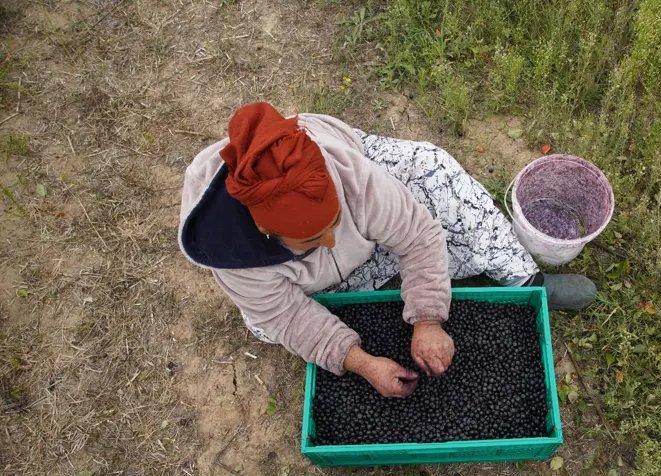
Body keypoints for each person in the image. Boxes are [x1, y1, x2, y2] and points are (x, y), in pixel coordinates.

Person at [178, 103, 596, 397]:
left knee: (437, 174)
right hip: (295, 282)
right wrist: (360, 361)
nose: (327, 242)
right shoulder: (233, 257)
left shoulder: (348, 175)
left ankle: (525, 277)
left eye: (332, 224)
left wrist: (428, 322)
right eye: (310, 241)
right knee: (266, 325)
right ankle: (384, 280)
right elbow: (286, 314)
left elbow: (417, 235)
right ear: (265, 228)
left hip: (366, 178)